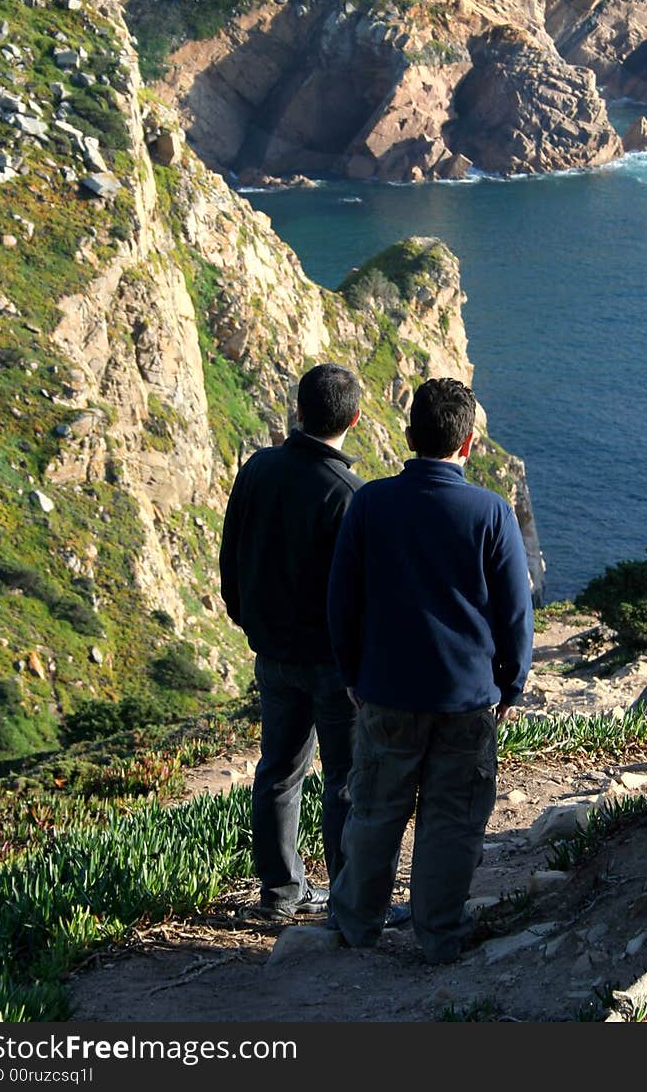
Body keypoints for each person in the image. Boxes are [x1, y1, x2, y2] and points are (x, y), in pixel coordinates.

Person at [326, 376, 534, 964]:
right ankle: (439, 933)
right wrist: (510, 684)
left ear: (409, 434)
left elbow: (341, 600)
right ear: (467, 444)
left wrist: (351, 673)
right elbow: (517, 613)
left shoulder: (370, 502)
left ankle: (357, 926)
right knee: (453, 819)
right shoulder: (491, 513)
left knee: (374, 811)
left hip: (385, 692)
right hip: (467, 698)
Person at [218, 363, 362, 919]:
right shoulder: (348, 492)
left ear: (299, 411)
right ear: (353, 419)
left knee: (277, 771)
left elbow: (230, 554)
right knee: (344, 781)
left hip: (272, 653)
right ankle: (346, 900)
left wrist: (245, 617)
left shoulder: (257, 469)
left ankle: (280, 895)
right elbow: (358, 593)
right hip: (331, 662)